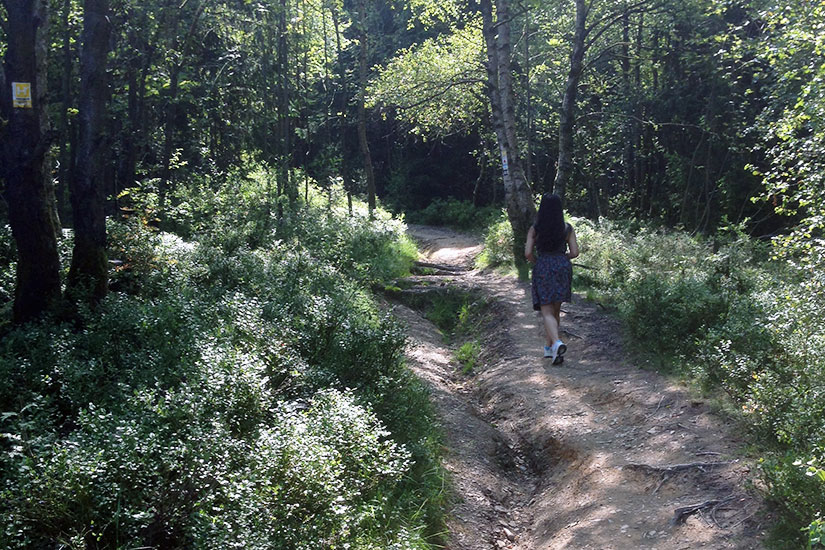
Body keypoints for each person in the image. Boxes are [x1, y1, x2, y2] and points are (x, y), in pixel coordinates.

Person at [524, 193, 579, 364]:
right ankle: (550, 350)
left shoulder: (535, 229)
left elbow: (527, 253)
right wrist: (562, 258)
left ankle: (555, 342)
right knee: (556, 310)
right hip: (562, 266)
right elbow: (575, 252)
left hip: (543, 266)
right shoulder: (567, 228)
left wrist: (538, 262)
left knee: (546, 311)